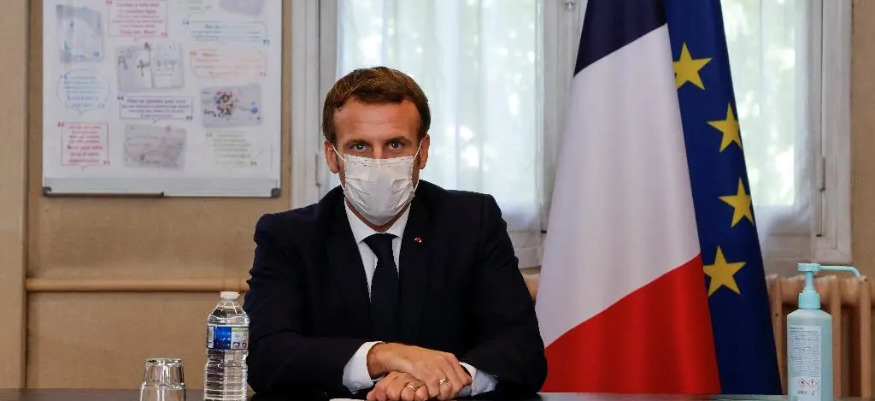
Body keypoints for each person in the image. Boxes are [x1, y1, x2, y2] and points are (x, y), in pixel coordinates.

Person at [243, 66, 547, 401]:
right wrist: (382, 356)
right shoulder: (289, 236)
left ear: (423, 151)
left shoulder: (471, 222)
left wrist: (444, 379)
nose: (379, 162)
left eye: (395, 144)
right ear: (333, 156)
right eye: (359, 146)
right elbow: (265, 356)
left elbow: (522, 351)